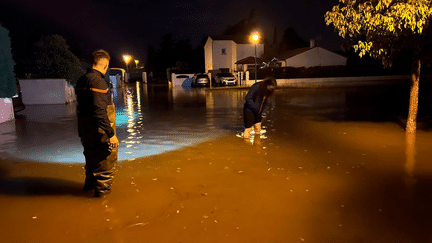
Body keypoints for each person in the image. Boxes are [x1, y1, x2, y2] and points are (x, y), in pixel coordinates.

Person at [75, 50, 119, 198]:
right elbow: (100, 111)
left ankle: (88, 188)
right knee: (105, 162)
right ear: (105, 65)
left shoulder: (82, 79)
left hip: (85, 129)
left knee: (90, 158)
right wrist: (111, 134)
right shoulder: (98, 81)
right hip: (98, 130)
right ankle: (102, 199)